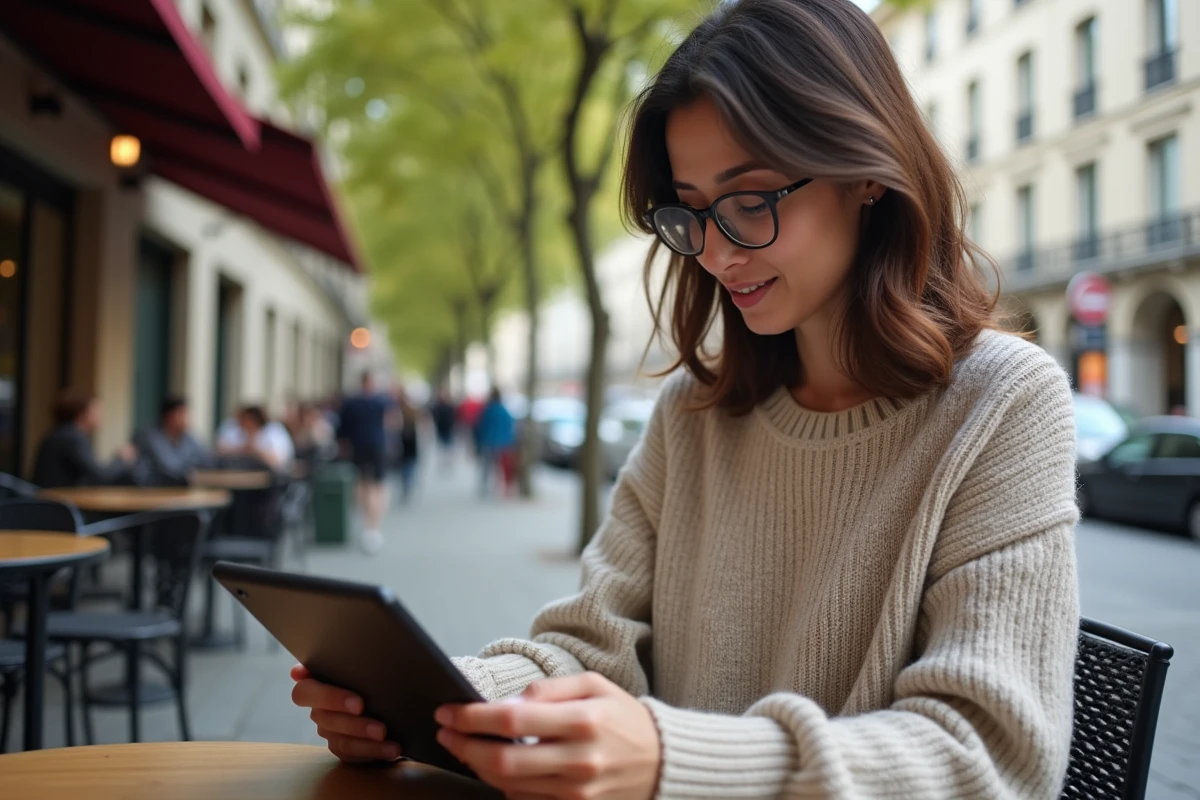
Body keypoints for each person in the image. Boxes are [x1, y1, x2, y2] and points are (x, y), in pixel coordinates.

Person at [289, 2, 1080, 798]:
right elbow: (592, 643)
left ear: (867, 172)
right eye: (692, 211)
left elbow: (993, 756)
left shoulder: (1004, 403)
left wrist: (675, 758)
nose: (716, 251)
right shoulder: (694, 413)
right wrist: (444, 698)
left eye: (751, 199)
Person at [337, 372, 396, 553]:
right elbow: (393, 422)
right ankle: (373, 526)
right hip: (377, 446)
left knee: (363, 484)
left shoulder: (351, 402)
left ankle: (367, 522)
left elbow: (342, 430)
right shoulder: (382, 401)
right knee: (378, 486)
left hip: (358, 447)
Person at [32, 392, 138, 488]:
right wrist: (122, 459)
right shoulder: (72, 437)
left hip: (52, 501)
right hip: (57, 504)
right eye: (96, 410)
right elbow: (102, 476)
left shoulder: (61, 433)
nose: (101, 416)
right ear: (82, 414)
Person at [135, 396, 213, 485]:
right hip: (153, 491)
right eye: (181, 414)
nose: (186, 419)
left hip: (179, 491)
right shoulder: (151, 436)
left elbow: (207, 459)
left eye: (186, 414)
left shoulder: (187, 437)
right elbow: (171, 468)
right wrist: (191, 469)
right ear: (168, 417)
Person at [216, 405, 294, 471]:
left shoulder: (273, 431)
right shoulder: (234, 429)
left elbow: (278, 462)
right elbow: (220, 451)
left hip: (272, 482)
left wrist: (255, 450)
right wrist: (241, 449)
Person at [473, 388, 515, 498]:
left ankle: (485, 486)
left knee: (487, 466)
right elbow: (510, 426)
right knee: (500, 466)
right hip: (503, 443)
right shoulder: (504, 410)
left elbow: (481, 426)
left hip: (489, 441)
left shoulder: (487, 410)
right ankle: (500, 487)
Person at [393, 388, 421, 503]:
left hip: (402, 440)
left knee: (405, 464)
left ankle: (406, 485)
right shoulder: (412, 410)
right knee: (410, 464)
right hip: (411, 440)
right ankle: (409, 484)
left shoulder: (397, 410)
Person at [429, 387, 458, 472]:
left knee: (448, 447)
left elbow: (454, 417)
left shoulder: (449, 406)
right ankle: (444, 463)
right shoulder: (438, 406)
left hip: (448, 428)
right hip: (441, 428)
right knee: (442, 447)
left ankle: (448, 463)